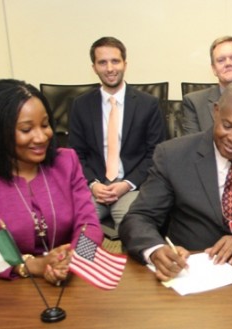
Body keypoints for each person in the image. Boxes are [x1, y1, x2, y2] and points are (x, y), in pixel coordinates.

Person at [119, 80, 232, 281]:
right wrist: (156, 249)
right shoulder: (172, 155)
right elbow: (138, 217)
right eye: (227, 126)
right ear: (216, 112)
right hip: (189, 271)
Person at [0, 79, 103, 285]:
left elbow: (90, 225)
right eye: (26, 129)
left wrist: (72, 259)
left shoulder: (66, 161)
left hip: (69, 283)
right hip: (4, 288)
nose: (41, 137)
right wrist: (32, 266)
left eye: (45, 124)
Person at [69, 36, 165, 232]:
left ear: (125, 64)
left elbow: (155, 154)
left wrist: (126, 184)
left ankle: (128, 263)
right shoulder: (80, 105)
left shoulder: (148, 104)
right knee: (81, 228)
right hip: (95, 188)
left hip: (131, 187)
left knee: (134, 228)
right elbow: (76, 154)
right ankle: (88, 263)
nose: (110, 68)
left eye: (115, 61)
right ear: (94, 67)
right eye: (102, 62)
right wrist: (93, 184)